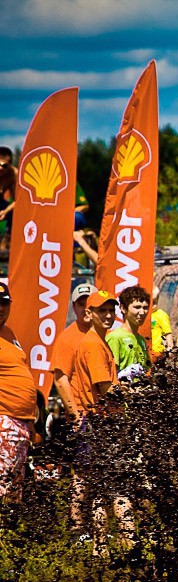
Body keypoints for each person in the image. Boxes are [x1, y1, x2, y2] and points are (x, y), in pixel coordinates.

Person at [0, 284, 38, 503]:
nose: (0, 308)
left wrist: (29, 420)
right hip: (3, 421)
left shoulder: (9, 333)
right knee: (4, 488)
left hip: (20, 422)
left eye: (4, 303)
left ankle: (9, 526)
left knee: (14, 490)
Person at [50, 283, 97, 423]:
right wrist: (75, 417)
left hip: (107, 416)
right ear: (74, 307)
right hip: (83, 416)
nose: (86, 309)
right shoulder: (67, 338)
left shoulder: (108, 334)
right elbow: (60, 379)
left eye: (89, 303)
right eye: (81, 305)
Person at [69, 290, 119, 416]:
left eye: (111, 310)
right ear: (89, 313)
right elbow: (107, 391)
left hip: (99, 417)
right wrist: (135, 393)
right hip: (100, 418)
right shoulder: (93, 344)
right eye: (102, 311)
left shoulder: (99, 340)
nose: (108, 315)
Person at [106, 286, 151, 382]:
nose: (142, 312)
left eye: (145, 308)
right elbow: (111, 374)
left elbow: (147, 370)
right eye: (137, 307)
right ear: (123, 308)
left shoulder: (141, 340)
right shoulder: (115, 338)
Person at [149, 285, 174, 363]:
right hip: (145, 351)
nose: (153, 305)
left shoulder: (160, 315)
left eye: (155, 302)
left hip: (157, 351)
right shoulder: (142, 315)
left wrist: (170, 347)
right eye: (150, 302)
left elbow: (168, 333)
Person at [0, 146, 17, 254]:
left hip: (1, 203)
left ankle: (4, 243)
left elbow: (17, 200)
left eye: (4, 165)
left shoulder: (13, 174)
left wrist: (5, 211)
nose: (0, 168)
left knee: (16, 213)